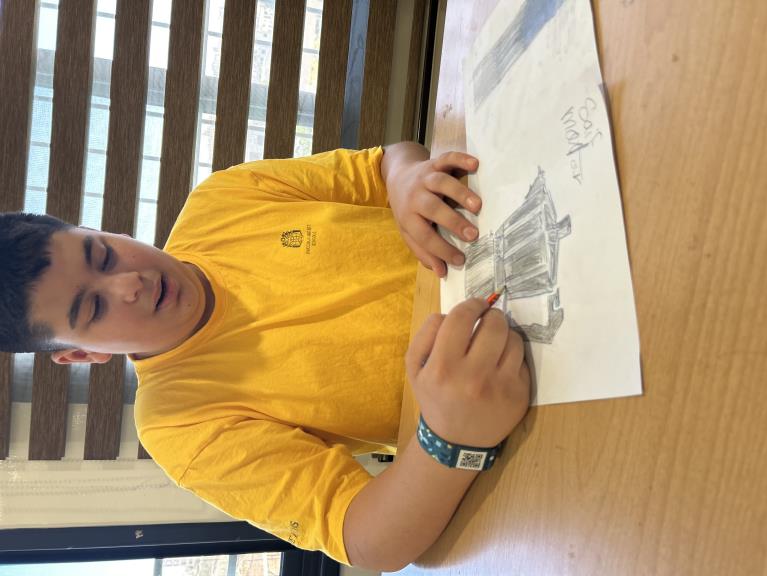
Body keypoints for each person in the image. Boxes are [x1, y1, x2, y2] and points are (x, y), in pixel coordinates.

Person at [0, 142, 530, 571]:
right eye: (94, 308)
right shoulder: (180, 426)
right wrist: (447, 439)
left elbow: (383, 165)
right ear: (82, 353)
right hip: (521, 402)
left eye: (101, 253)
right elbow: (366, 537)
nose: (130, 284)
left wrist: (406, 177)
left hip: (507, 231)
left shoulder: (222, 200)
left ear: (105, 230)